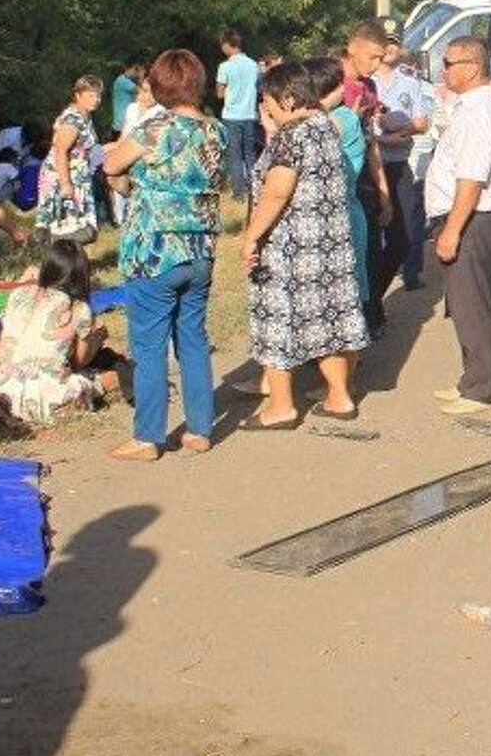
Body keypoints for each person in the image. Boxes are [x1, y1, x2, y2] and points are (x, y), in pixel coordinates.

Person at [103, 48, 225, 462]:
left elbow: (112, 164)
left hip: (154, 250)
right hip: (200, 249)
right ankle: (200, 429)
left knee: (150, 343)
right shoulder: (217, 132)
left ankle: (148, 436)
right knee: (192, 338)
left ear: (159, 85)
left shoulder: (153, 128)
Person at [237, 61, 370, 430]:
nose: (265, 108)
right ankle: (340, 397)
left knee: (276, 321)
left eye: (269, 101)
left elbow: (277, 190)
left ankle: (280, 406)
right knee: (327, 322)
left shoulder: (292, 137)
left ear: (290, 98)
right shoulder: (325, 127)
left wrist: (251, 236)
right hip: (329, 246)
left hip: (290, 249)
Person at [426, 35, 491, 415]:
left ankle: (480, 389)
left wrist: (452, 230)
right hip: (478, 218)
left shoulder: (480, 111)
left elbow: (471, 179)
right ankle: (471, 378)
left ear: (472, 67)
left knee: (472, 305)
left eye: (448, 63)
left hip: (472, 219)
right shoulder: (481, 104)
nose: (442, 70)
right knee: (468, 303)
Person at [0, 239, 123, 427]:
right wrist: (96, 339)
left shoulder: (18, 294)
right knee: (114, 375)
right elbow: (78, 361)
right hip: (46, 399)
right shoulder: (79, 308)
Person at [333, 20, 394, 331]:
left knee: (368, 256)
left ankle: (367, 321)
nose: (378, 64)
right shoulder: (329, 81)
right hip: (331, 185)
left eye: (382, 57)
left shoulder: (369, 89)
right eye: (373, 56)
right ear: (352, 47)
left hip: (361, 185)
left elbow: (371, 144)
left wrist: (383, 191)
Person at [373, 28, 434, 294]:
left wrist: (399, 132)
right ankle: (374, 295)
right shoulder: (366, 82)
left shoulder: (410, 83)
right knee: (374, 232)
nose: (390, 49)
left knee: (406, 230)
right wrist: (383, 137)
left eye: (394, 43)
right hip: (371, 166)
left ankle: (409, 272)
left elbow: (422, 123)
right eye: (385, 43)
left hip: (399, 165)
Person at [35, 75, 103, 244]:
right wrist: (66, 183)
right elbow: (60, 150)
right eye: (91, 95)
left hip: (78, 175)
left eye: (98, 95)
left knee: (82, 228)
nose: (96, 100)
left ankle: (69, 260)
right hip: (63, 175)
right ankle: (52, 244)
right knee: (80, 229)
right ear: (78, 95)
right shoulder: (73, 119)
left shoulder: (85, 116)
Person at [216, 29, 262, 201]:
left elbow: (219, 94)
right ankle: (254, 187)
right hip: (249, 114)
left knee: (234, 154)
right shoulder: (253, 65)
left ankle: (238, 191)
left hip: (231, 115)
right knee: (250, 153)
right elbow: (258, 88)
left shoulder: (225, 66)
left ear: (228, 45)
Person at [110, 61, 145, 137]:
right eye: (136, 70)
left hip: (124, 125)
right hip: (121, 126)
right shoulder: (122, 80)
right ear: (131, 69)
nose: (136, 73)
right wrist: (141, 76)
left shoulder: (126, 81)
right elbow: (142, 91)